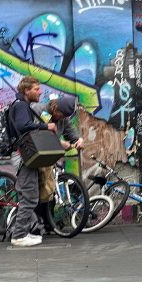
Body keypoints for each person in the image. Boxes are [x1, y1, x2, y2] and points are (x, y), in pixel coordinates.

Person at [8, 76, 57, 247]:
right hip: (24, 156)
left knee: (29, 195)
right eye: (36, 89)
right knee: (29, 197)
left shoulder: (21, 104)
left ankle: (25, 231)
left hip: (24, 155)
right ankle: (19, 235)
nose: (40, 91)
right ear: (26, 90)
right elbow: (23, 125)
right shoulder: (21, 105)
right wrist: (46, 127)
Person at [33, 97, 84, 227]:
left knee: (49, 189)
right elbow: (35, 133)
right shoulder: (41, 111)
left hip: (47, 155)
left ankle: (47, 222)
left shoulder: (63, 118)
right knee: (39, 188)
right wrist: (59, 142)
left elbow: (71, 134)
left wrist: (78, 140)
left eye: (65, 116)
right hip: (32, 153)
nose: (62, 118)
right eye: (61, 114)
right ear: (55, 108)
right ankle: (37, 223)